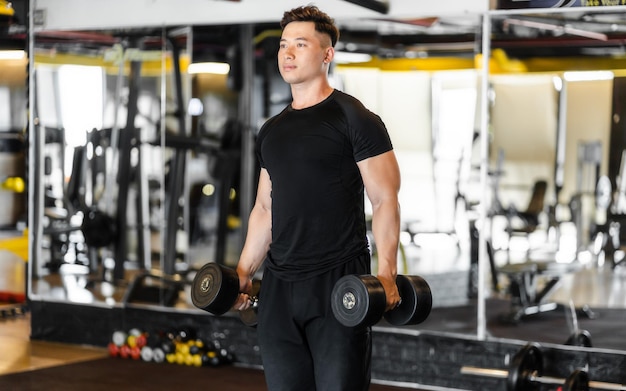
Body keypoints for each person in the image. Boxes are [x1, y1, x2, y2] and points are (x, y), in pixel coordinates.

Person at [233, 5, 401, 390]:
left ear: (327, 54)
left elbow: (385, 200)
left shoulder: (356, 118)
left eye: (300, 44)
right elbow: (264, 208)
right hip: (278, 288)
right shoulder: (272, 130)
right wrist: (243, 273)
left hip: (338, 282)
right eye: (282, 44)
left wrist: (387, 273)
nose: (287, 53)